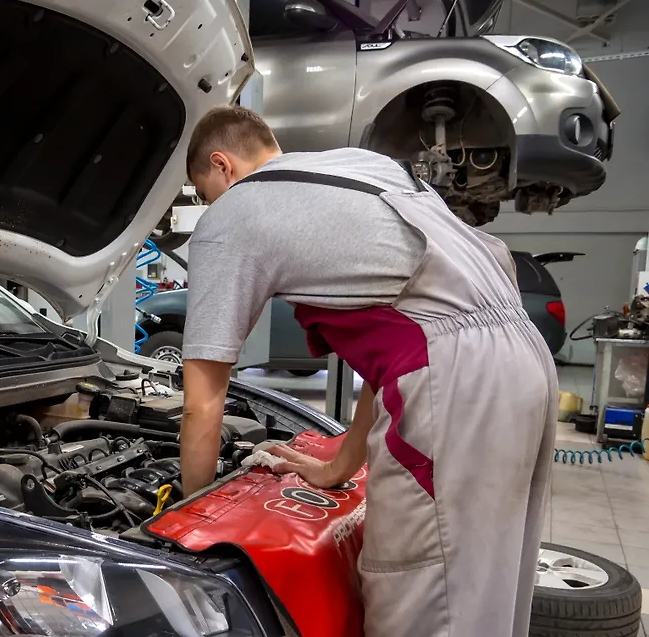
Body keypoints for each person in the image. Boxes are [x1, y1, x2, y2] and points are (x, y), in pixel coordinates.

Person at [177, 105, 557, 637]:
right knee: (486, 585)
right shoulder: (363, 166)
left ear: (223, 166)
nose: (212, 208)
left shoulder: (235, 211)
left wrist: (192, 527)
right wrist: (340, 466)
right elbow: (392, 348)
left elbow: (203, 399)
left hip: (452, 380)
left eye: (206, 195)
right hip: (520, 360)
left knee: (423, 598)